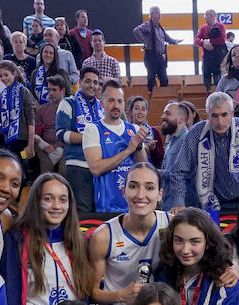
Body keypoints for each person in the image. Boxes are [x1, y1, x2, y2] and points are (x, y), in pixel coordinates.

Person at [0, 173, 92, 305]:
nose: (56, 206)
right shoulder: (16, 240)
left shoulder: (79, 240)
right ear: (36, 202)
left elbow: (83, 293)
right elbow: (11, 295)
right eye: (48, 199)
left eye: (63, 200)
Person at [166, 91, 239, 214]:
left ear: (232, 113)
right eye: (215, 116)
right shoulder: (196, 133)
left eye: (224, 115)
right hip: (210, 201)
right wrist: (179, 203)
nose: (220, 122)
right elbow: (179, 172)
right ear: (207, 115)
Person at [87, 163, 168, 305]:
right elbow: (92, 291)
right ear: (124, 192)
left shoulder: (171, 224)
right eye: (133, 186)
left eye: (149, 188)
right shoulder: (104, 236)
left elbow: (209, 242)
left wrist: (222, 267)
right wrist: (120, 296)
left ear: (159, 194)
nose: (140, 195)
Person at [83, 80, 147, 213]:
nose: (116, 105)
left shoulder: (134, 129)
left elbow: (143, 167)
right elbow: (96, 168)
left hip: (134, 205)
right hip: (107, 207)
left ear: (124, 104)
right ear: (102, 103)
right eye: (111, 100)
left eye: (119, 101)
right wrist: (129, 149)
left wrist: (139, 146)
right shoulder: (92, 129)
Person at [56, 66, 103, 213]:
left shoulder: (101, 107)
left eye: (95, 82)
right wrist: (90, 138)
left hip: (100, 167)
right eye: (88, 81)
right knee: (83, 211)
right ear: (80, 81)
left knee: (99, 210)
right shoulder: (68, 103)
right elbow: (61, 134)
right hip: (77, 165)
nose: (92, 85)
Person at [0, 61, 37, 162]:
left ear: (14, 73)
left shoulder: (23, 91)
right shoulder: (2, 95)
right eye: (0, 76)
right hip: (8, 140)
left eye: (6, 75)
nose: (3, 78)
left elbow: (31, 118)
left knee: (21, 169)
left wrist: (31, 144)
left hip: (23, 141)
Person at [133, 7, 179, 93]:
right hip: (150, 56)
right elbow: (136, 30)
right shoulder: (147, 25)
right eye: (157, 13)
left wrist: (175, 41)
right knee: (151, 78)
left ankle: (163, 95)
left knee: (164, 78)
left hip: (160, 57)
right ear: (152, 14)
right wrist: (144, 41)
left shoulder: (161, 28)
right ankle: (151, 96)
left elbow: (167, 38)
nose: (159, 15)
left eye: (159, 13)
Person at [128, 95, 165, 167]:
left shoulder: (154, 132)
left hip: (150, 171)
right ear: (131, 111)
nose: (140, 112)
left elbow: (160, 159)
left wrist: (153, 150)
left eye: (143, 109)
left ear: (146, 112)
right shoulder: (125, 131)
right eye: (136, 108)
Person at [196, 9, 228, 90]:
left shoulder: (221, 26)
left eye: (207, 15)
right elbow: (196, 39)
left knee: (217, 78)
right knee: (206, 77)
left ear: (213, 16)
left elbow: (222, 39)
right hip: (206, 58)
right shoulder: (203, 28)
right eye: (205, 15)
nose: (205, 17)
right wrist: (203, 43)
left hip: (217, 57)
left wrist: (209, 42)